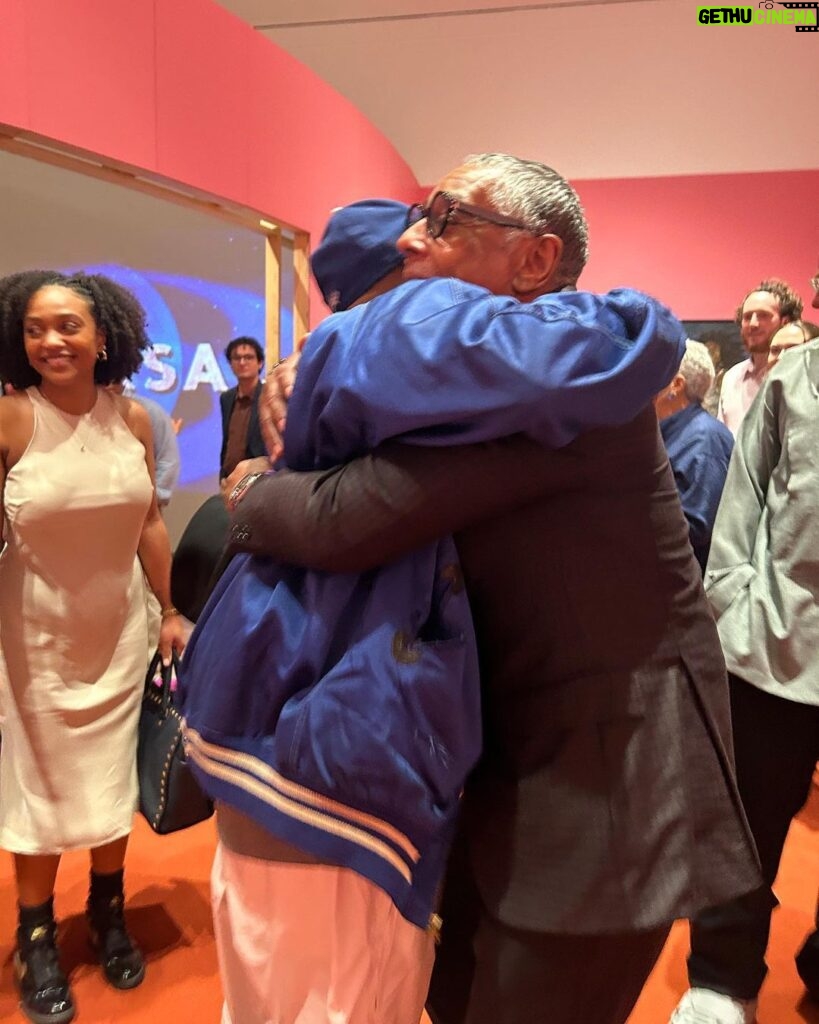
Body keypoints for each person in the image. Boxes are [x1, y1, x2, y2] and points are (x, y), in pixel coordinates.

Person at [212, 153, 761, 1024]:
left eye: (444, 216)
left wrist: (244, 489)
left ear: (533, 262)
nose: (412, 236)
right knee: (458, 990)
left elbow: (345, 517)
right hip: (505, 752)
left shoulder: (559, 381)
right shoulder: (466, 373)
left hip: (604, 775)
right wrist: (305, 369)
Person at [0, 270, 187, 1024]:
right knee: (40, 788)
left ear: (103, 335)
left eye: (68, 326)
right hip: (35, 639)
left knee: (112, 785)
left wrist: (172, 607)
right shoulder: (11, 420)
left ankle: (108, 910)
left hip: (122, 632)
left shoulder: (136, 419)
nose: (51, 341)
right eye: (36, 328)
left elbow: (147, 523)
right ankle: (34, 933)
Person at [668, 328, 819, 1024]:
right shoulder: (795, 379)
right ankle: (723, 981)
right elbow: (744, 495)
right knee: (740, 828)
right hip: (770, 647)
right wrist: (731, 599)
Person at [654, 339, 734, 571]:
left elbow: (695, 528)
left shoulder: (705, 439)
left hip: (683, 585)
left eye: (653, 374)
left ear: (676, 385)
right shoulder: (670, 433)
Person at [716, 279, 802, 435]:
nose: (753, 324)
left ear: (785, 322)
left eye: (763, 316)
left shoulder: (802, 377)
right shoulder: (731, 378)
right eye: (747, 317)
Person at [219, 335, 265, 481]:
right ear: (231, 364)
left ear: (260, 363)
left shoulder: (269, 396)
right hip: (229, 478)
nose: (242, 362)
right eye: (237, 358)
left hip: (258, 480)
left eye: (248, 357)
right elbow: (228, 440)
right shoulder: (226, 398)